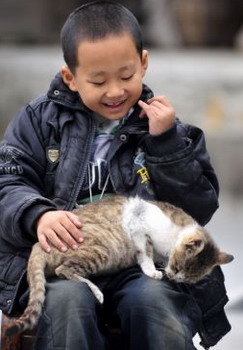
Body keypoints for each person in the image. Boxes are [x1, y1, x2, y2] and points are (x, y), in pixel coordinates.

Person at [0, 1, 231, 349]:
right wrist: (37, 215)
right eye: (97, 80)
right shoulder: (37, 121)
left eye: (126, 76)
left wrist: (166, 144)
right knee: (66, 307)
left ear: (143, 64)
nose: (115, 91)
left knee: (155, 306)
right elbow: (7, 182)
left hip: (141, 267)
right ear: (71, 78)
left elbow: (197, 210)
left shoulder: (171, 132)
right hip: (65, 262)